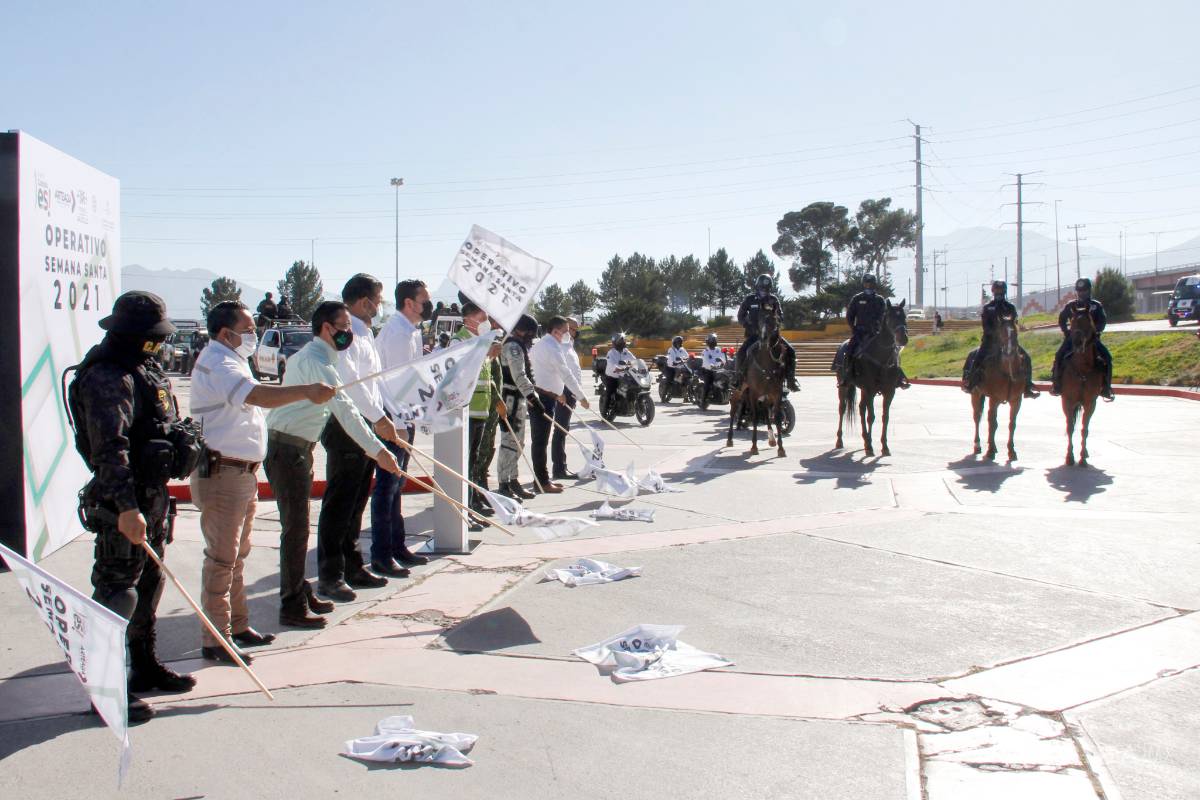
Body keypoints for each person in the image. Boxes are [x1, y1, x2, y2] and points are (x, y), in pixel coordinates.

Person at [69, 291, 203, 723]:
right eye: (150, 338)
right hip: (121, 497)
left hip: (152, 493)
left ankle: (142, 666)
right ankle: (106, 689)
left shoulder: (142, 369)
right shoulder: (108, 377)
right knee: (116, 593)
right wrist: (127, 507)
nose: (157, 346)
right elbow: (110, 449)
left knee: (149, 583)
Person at [190, 302, 336, 665]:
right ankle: (216, 637)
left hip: (240, 472)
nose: (254, 335)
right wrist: (306, 391)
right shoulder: (219, 362)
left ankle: (237, 626)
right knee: (222, 559)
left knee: (237, 556)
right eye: (249, 329)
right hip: (223, 472)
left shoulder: (233, 359)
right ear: (226, 334)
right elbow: (257, 396)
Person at [264, 301, 402, 628]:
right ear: (327, 327)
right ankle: (291, 605)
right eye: (344, 327)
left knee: (299, 527)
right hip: (287, 449)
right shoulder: (316, 362)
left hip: (298, 447)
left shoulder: (324, 358)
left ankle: (298, 591)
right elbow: (345, 410)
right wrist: (378, 450)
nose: (349, 333)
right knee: (295, 530)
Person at [315, 274, 403, 600]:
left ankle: (352, 565)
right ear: (364, 301)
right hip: (346, 425)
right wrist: (378, 418)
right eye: (378, 300)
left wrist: (386, 415)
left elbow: (375, 383)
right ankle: (330, 574)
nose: (379, 307)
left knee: (356, 502)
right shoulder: (347, 334)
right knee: (340, 503)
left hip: (367, 424)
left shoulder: (366, 334)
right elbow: (351, 383)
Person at [374, 279, 435, 570]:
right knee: (387, 487)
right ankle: (382, 554)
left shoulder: (411, 331)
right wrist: (399, 423)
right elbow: (393, 383)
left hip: (404, 417)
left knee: (397, 486)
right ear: (409, 303)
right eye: (425, 300)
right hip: (392, 418)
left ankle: (398, 547)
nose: (429, 306)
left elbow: (415, 378)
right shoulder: (397, 334)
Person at [455, 302, 503, 523]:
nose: (486, 322)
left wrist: (489, 355)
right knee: (466, 462)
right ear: (469, 319)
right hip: (467, 410)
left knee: (473, 461)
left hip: (481, 409)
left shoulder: (479, 341)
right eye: (482, 318)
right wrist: (485, 352)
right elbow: (461, 373)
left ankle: (473, 503)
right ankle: (466, 509)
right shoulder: (460, 341)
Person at [528, 316, 587, 493]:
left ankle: (543, 479)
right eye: (566, 330)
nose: (568, 334)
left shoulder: (542, 345)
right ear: (555, 331)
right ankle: (542, 481)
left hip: (549, 395)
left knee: (541, 440)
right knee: (541, 441)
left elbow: (548, 374)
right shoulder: (552, 347)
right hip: (544, 397)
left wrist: (558, 393)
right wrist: (581, 396)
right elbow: (565, 373)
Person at [961, 281, 1039, 399]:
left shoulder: (1010, 307)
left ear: (1004, 291)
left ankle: (1027, 386)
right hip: (990, 341)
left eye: (1001, 290)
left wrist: (1010, 335)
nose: (999, 293)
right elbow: (985, 325)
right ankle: (971, 383)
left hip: (1009, 341)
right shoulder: (988, 307)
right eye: (996, 290)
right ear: (993, 291)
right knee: (976, 357)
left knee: (1026, 357)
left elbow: (1014, 323)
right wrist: (996, 334)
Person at [835, 273, 910, 389]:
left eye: (871, 282)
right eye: (866, 282)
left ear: (874, 284)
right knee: (849, 349)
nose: (868, 285)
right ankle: (848, 375)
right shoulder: (857, 298)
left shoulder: (880, 300)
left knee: (893, 350)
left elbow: (884, 316)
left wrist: (878, 327)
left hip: (875, 332)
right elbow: (850, 315)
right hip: (860, 332)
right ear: (863, 284)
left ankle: (899, 377)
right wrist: (854, 328)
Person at [497, 314, 540, 499]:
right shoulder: (513, 346)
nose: (531, 337)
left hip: (518, 398)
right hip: (510, 399)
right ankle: (504, 483)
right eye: (529, 333)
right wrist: (532, 396)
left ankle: (513, 479)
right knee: (509, 442)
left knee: (518, 442)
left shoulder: (517, 345)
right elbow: (519, 375)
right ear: (521, 330)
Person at [1051, 277, 1115, 400]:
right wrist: (1067, 332)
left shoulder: (1096, 306)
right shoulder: (1071, 305)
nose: (1082, 293)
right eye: (1079, 291)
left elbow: (1102, 321)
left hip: (1092, 340)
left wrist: (1096, 331)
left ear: (1089, 291)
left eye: (1084, 290)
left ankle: (1106, 387)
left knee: (1107, 358)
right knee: (1059, 355)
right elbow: (1062, 319)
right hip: (1073, 339)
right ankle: (1057, 384)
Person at [736, 274, 798, 391]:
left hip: (771, 336)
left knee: (791, 351)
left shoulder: (773, 300)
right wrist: (747, 325)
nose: (764, 291)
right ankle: (738, 379)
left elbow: (780, 316)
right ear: (757, 287)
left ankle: (791, 379)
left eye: (766, 289)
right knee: (741, 353)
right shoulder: (749, 299)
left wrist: (776, 322)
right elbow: (740, 316)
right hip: (754, 335)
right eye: (762, 288)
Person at [552, 317, 590, 480]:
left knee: (563, 429)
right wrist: (578, 395)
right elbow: (562, 373)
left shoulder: (569, 346)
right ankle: (559, 468)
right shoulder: (560, 346)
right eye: (572, 329)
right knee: (560, 430)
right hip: (564, 392)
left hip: (571, 392)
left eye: (575, 329)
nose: (575, 332)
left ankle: (561, 467)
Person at [602, 333, 637, 413]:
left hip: (624, 375)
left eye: (623, 340)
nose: (622, 342)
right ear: (616, 342)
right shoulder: (611, 353)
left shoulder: (626, 351)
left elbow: (634, 360)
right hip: (612, 376)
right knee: (610, 391)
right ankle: (605, 412)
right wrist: (616, 368)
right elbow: (611, 363)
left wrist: (636, 365)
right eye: (621, 341)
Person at [699, 332, 727, 403]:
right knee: (708, 384)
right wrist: (711, 366)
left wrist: (722, 361)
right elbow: (705, 361)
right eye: (713, 340)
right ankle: (703, 400)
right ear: (709, 342)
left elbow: (723, 357)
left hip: (718, 370)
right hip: (707, 370)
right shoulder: (705, 351)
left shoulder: (718, 349)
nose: (715, 341)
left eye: (715, 340)